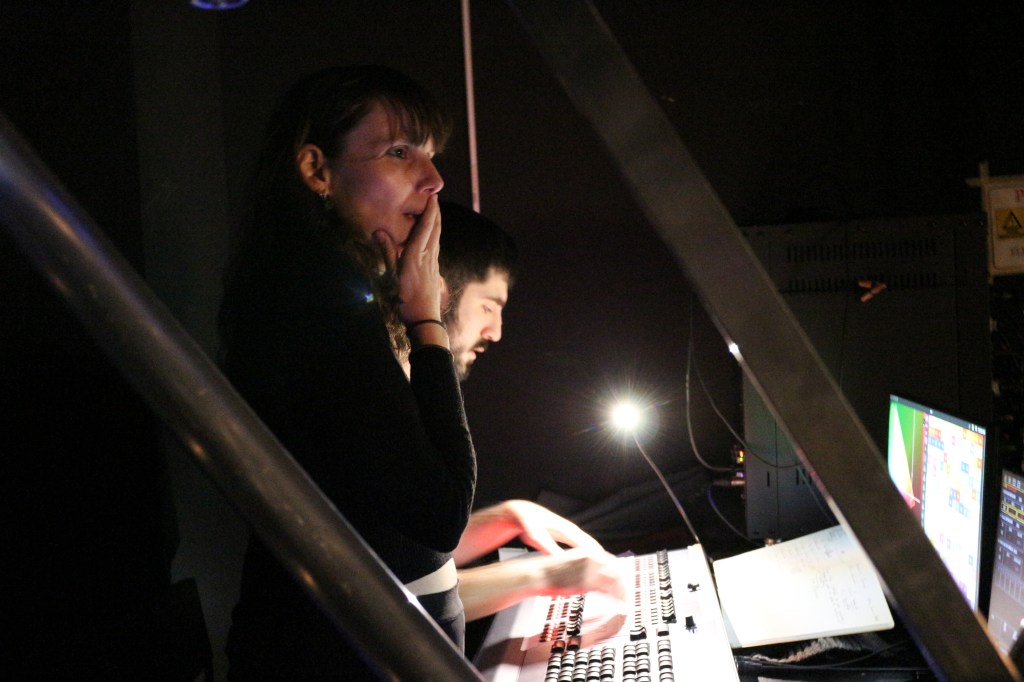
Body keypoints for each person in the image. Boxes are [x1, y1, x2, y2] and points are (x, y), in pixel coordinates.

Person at [219, 64, 474, 680]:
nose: (434, 179)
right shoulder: (316, 293)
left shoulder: (317, 280)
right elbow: (439, 514)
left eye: (431, 154)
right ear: (317, 170)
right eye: (399, 152)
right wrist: (427, 320)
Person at [436, 202, 626, 623]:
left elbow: (410, 553)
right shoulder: (374, 399)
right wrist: (546, 574)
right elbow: (395, 595)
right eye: (488, 307)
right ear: (438, 292)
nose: (496, 332)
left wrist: (507, 516)